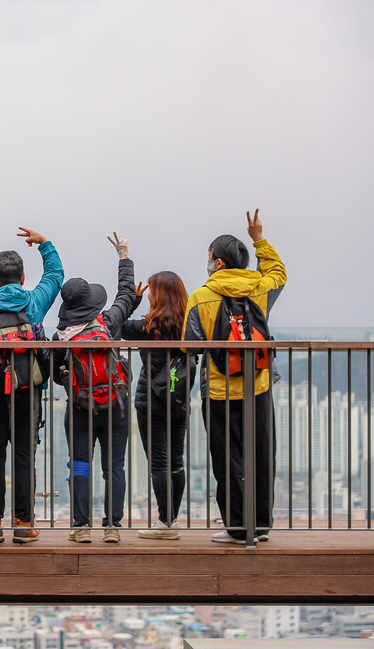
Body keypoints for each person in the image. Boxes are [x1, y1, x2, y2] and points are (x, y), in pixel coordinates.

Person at [183, 209, 285, 544]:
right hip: (259, 386)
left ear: (219, 263)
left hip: (219, 391)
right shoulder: (258, 288)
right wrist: (260, 240)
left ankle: (238, 529)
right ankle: (262, 527)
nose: (208, 262)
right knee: (261, 456)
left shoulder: (201, 297)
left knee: (228, 460)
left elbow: (189, 346)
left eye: (210, 257)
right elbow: (278, 273)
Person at [0, 227, 63, 544]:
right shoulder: (34, 303)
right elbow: (55, 276)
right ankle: (24, 523)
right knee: (24, 456)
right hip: (29, 394)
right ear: (22, 279)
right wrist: (45, 244)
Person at [54, 233, 139, 544]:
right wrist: (124, 255)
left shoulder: (61, 336)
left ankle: (80, 526)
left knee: (79, 464)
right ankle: (112, 526)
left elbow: (55, 375)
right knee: (114, 467)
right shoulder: (107, 322)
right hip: (115, 403)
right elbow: (127, 295)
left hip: (79, 408)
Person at [120, 271, 192, 540]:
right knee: (176, 462)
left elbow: (116, 326)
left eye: (152, 290)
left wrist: (134, 301)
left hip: (151, 399)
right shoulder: (189, 325)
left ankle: (166, 522)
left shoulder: (148, 326)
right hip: (179, 398)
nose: (149, 294)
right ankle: (170, 519)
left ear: (158, 295)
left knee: (159, 463)